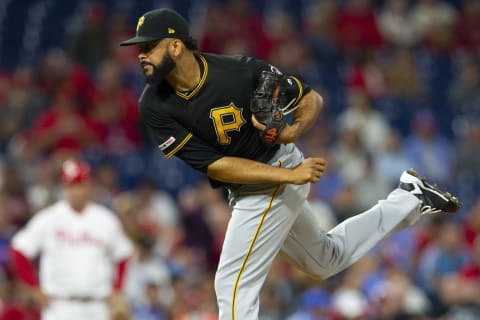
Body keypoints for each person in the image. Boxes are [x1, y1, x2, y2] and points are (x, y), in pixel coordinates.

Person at [120, 8, 461, 319]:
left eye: (149, 46)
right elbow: (218, 166)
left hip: (273, 176)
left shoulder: (239, 71)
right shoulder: (154, 104)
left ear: (177, 46)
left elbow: (311, 99)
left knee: (231, 285)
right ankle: (411, 198)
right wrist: (290, 174)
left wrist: (292, 131)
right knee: (324, 260)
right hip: (265, 177)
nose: (141, 55)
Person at [10, 159, 134, 320]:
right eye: (71, 185)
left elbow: (124, 253)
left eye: (79, 184)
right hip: (60, 306)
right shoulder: (49, 218)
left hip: (98, 307)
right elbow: (19, 249)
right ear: (64, 187)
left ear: (89, 185)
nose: (75, 191)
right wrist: (33, 287)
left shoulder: (105, 219)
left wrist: (117, 289)